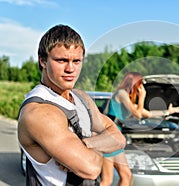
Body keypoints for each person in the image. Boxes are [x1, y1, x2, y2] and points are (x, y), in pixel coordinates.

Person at [17, 24, 126, 185]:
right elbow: (91, 168)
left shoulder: (81, 97)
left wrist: (86, 143)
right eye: (61, 60)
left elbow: (119, 138)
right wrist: (101, 140)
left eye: (76, 61)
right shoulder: (39, 111)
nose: (70, 68)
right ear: (43, 61)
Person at [99, 72, 179, 186]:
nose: (142, 87)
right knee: (107, 180)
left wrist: (167, 112)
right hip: (109, 138)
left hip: (117, 139)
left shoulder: (127, 99)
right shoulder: (121, 94)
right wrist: (142, 97)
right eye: (140, 84)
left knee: (127, 176)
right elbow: (138, 114)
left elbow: (147, 114)